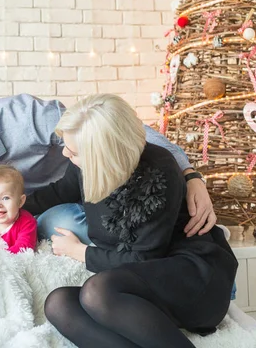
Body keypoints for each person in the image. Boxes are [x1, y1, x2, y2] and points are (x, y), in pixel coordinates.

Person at [24, 94, 237, 347]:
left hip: (190, 276)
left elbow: (143, 257)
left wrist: (79, 252)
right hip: (141, 282)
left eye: (73, 150)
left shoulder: (157, 171)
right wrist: (11, 205)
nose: (64, 152)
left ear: (102, 154)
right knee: (59, 304)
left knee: (98, 292)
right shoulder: (84, 165)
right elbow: (58, 191)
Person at [0, 94, 216, 240]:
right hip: (41, 210)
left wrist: (189, 173)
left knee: (67, 219)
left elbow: (113, 129)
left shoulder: (24, 118)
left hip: (93, 190)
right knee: (58, 221)